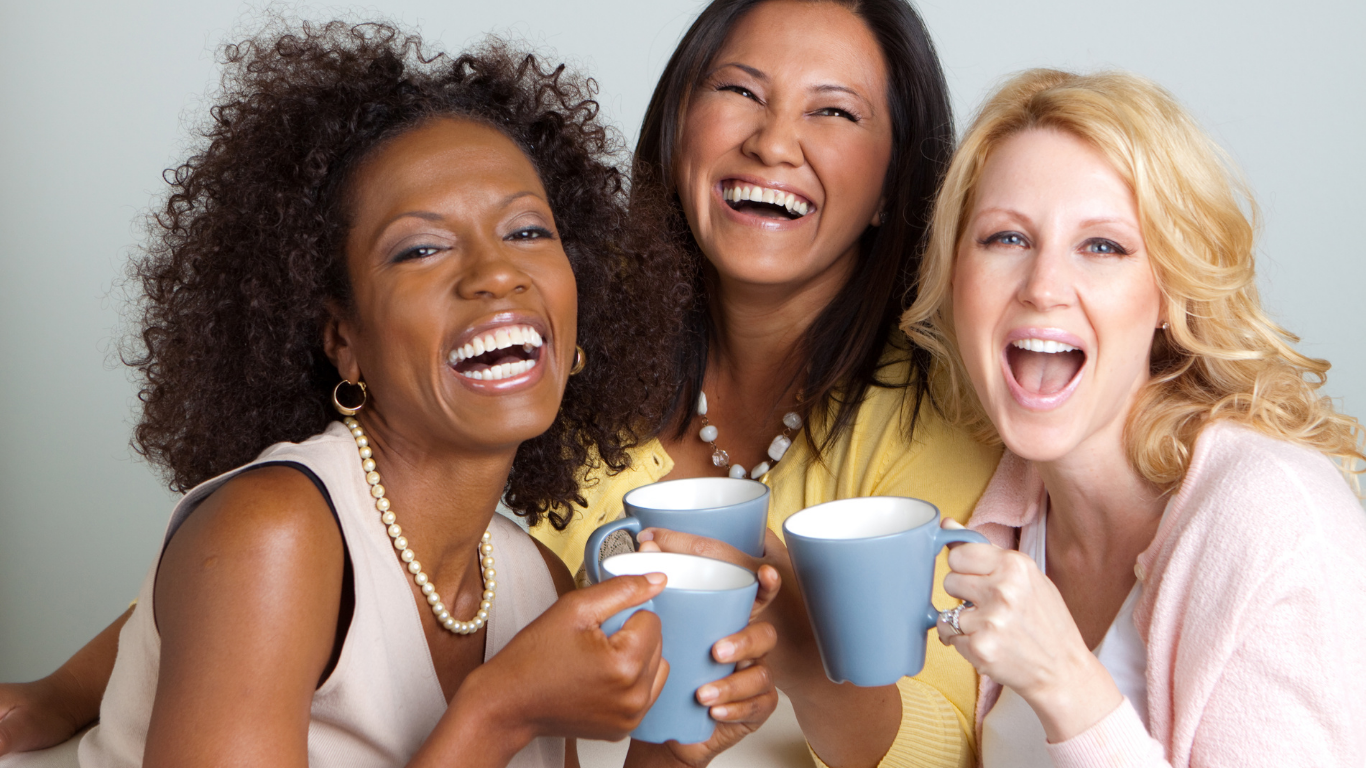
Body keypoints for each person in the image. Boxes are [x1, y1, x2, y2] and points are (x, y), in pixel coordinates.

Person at [0, 21, 779, 767]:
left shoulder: (536, 580)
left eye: (528, 232)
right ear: (342, 336)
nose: (495, 273)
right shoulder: (272, 536)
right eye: (422, 248)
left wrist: (667, 754)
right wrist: (501, 711)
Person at [532, 1, 1001, 766]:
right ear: (679, 125)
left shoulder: (944, 412)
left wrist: (811, 659)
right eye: (741, 92)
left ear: (892, 185)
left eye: (835, 111)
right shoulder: (568, 352)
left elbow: (953, 743)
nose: (774, 141)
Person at [900, 68, 1366, 766]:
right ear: (954, 277)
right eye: (1006, 239)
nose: (1044, 287)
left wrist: (1067, 684)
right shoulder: (993, 505)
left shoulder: (1276, 524)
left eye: (1102, 247)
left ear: (1169, 296)